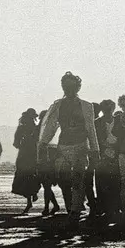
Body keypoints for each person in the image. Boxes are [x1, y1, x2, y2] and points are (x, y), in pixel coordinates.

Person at [38, 72, 100, 226]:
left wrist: (95, 149)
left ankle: (75, 210)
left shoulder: (86, 106)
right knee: (63, 180)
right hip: (63, 146)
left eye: (72, 86)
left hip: (80, 145)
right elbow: (51, 126)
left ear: (77, 87)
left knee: (78, 178)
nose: (68, 89)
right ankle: (70, 207)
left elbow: (90, 128)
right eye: (66, 86)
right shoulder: (57, 105)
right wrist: (43, 143)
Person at [94, 99, 121, 219]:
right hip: (102, 155)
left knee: (116, 183)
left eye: (109, 108)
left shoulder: (119, 121)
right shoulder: (97, 122)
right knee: (102, 183)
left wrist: (116, 148)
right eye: (105, 108)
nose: (108, 110)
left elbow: (123, 136)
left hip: (117, 153)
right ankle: (104, 208)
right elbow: (94, 139)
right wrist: (104, 148)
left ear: (113, 108)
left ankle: (116, 208)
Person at [11, 108, 41, 214]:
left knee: (23, 177)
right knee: (32, 176)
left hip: (24, 155)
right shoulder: (36, 129)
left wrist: (22, 145)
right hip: (34, 155)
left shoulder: (21, 129)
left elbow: (15, 144)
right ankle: (33, 194)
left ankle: (29, 200)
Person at [37, 110, 60, 216]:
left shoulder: (47, 130)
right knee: (47, 186)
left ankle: (49, 207)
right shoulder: (52, 128)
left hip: (49, 161)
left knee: (47, 185)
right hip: (45, 161)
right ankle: (52, 206)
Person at [83, 103, 102, 216]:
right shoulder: (98, 122)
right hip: (96, 155)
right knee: (97, 182)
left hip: (90, 155)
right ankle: (96, 203)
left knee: (89, 182)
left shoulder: (89, 123)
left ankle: (93, 204)